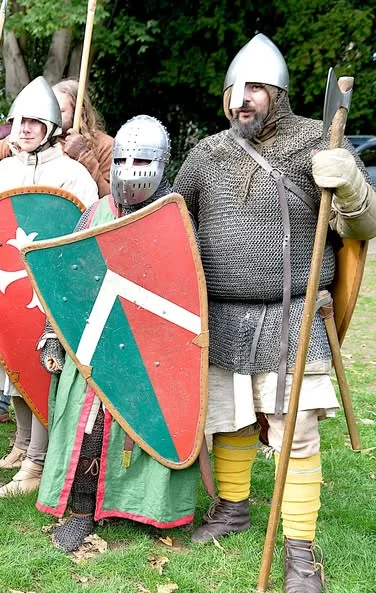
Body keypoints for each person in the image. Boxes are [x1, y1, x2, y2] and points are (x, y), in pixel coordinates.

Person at [173, 34, 376, 593]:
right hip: (223, 315)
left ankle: (301, 552)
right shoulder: (206, 155)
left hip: (293, 316)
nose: (243, 100)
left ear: (279, 94)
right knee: (230, 420)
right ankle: (233, 509)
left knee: (297, 433)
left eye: (256, 88)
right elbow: (169, 223)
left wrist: (352, 185)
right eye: (236, 90)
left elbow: (362, 227)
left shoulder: (318, 142)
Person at [36, 115, 198, 552]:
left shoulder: (172, 216)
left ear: (162, 163)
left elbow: (185, 289)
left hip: (152, 345)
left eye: (141, 159)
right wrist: (53, 335)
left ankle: (151, 507)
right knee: (89, 427)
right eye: (122, 158)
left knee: (151, 423)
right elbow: (67, 279)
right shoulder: (95, 214)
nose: (130, 168)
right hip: (96, 336)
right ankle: (82, 511)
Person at [0, 76, 98, 497]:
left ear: (52, 127)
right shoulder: (1, 172)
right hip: (10, 287)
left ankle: (37, 463)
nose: (24, 129)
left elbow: (85, 231)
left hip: (52, 291)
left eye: (35, 122)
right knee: (14, 364)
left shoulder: (73, 175)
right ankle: (21, 447)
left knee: (42, 367)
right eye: (19, 121)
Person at [0, 78, 113, 196]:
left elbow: (109, 200)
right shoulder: (30, 138)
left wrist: (84, 156)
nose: (51, 114)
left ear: (80, 111)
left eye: (60, 110)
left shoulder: (104, 145)